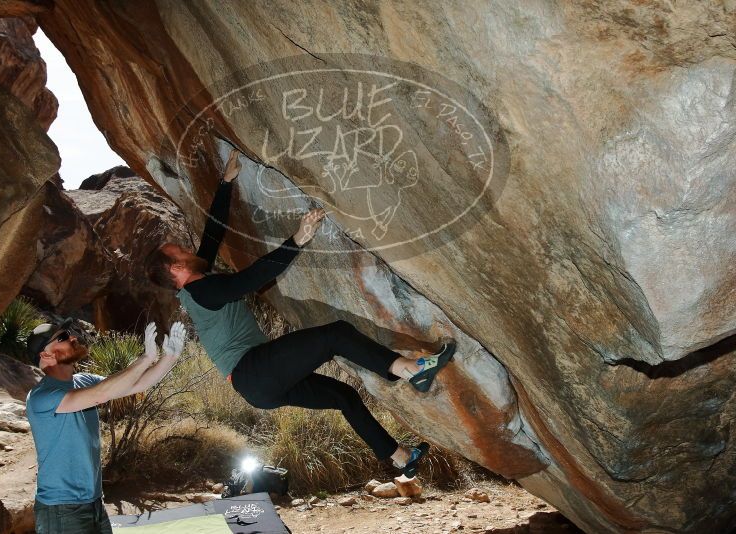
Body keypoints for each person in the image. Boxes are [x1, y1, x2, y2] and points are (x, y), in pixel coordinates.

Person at [146, 149, 455, 477]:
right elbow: (252, 278)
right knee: (334, 335)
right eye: (179, 251)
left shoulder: (197, 280)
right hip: (254, 371)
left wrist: (225, 183)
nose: (186, 249)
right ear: (177, 268)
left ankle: (400, 457)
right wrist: (298, 239)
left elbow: (212, 234)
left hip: (257, 386)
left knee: (343, 395)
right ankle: (409, 369)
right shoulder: (201, 290)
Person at [25, 318, 186, 534]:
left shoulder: (84, 381)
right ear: (45, 355)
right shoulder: (41, 397)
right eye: (62, 337)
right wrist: (146, 358)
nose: (73, 337)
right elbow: (102, 394)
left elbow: (136, 384)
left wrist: (170, 357)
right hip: (61, 510)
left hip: (94, 503)